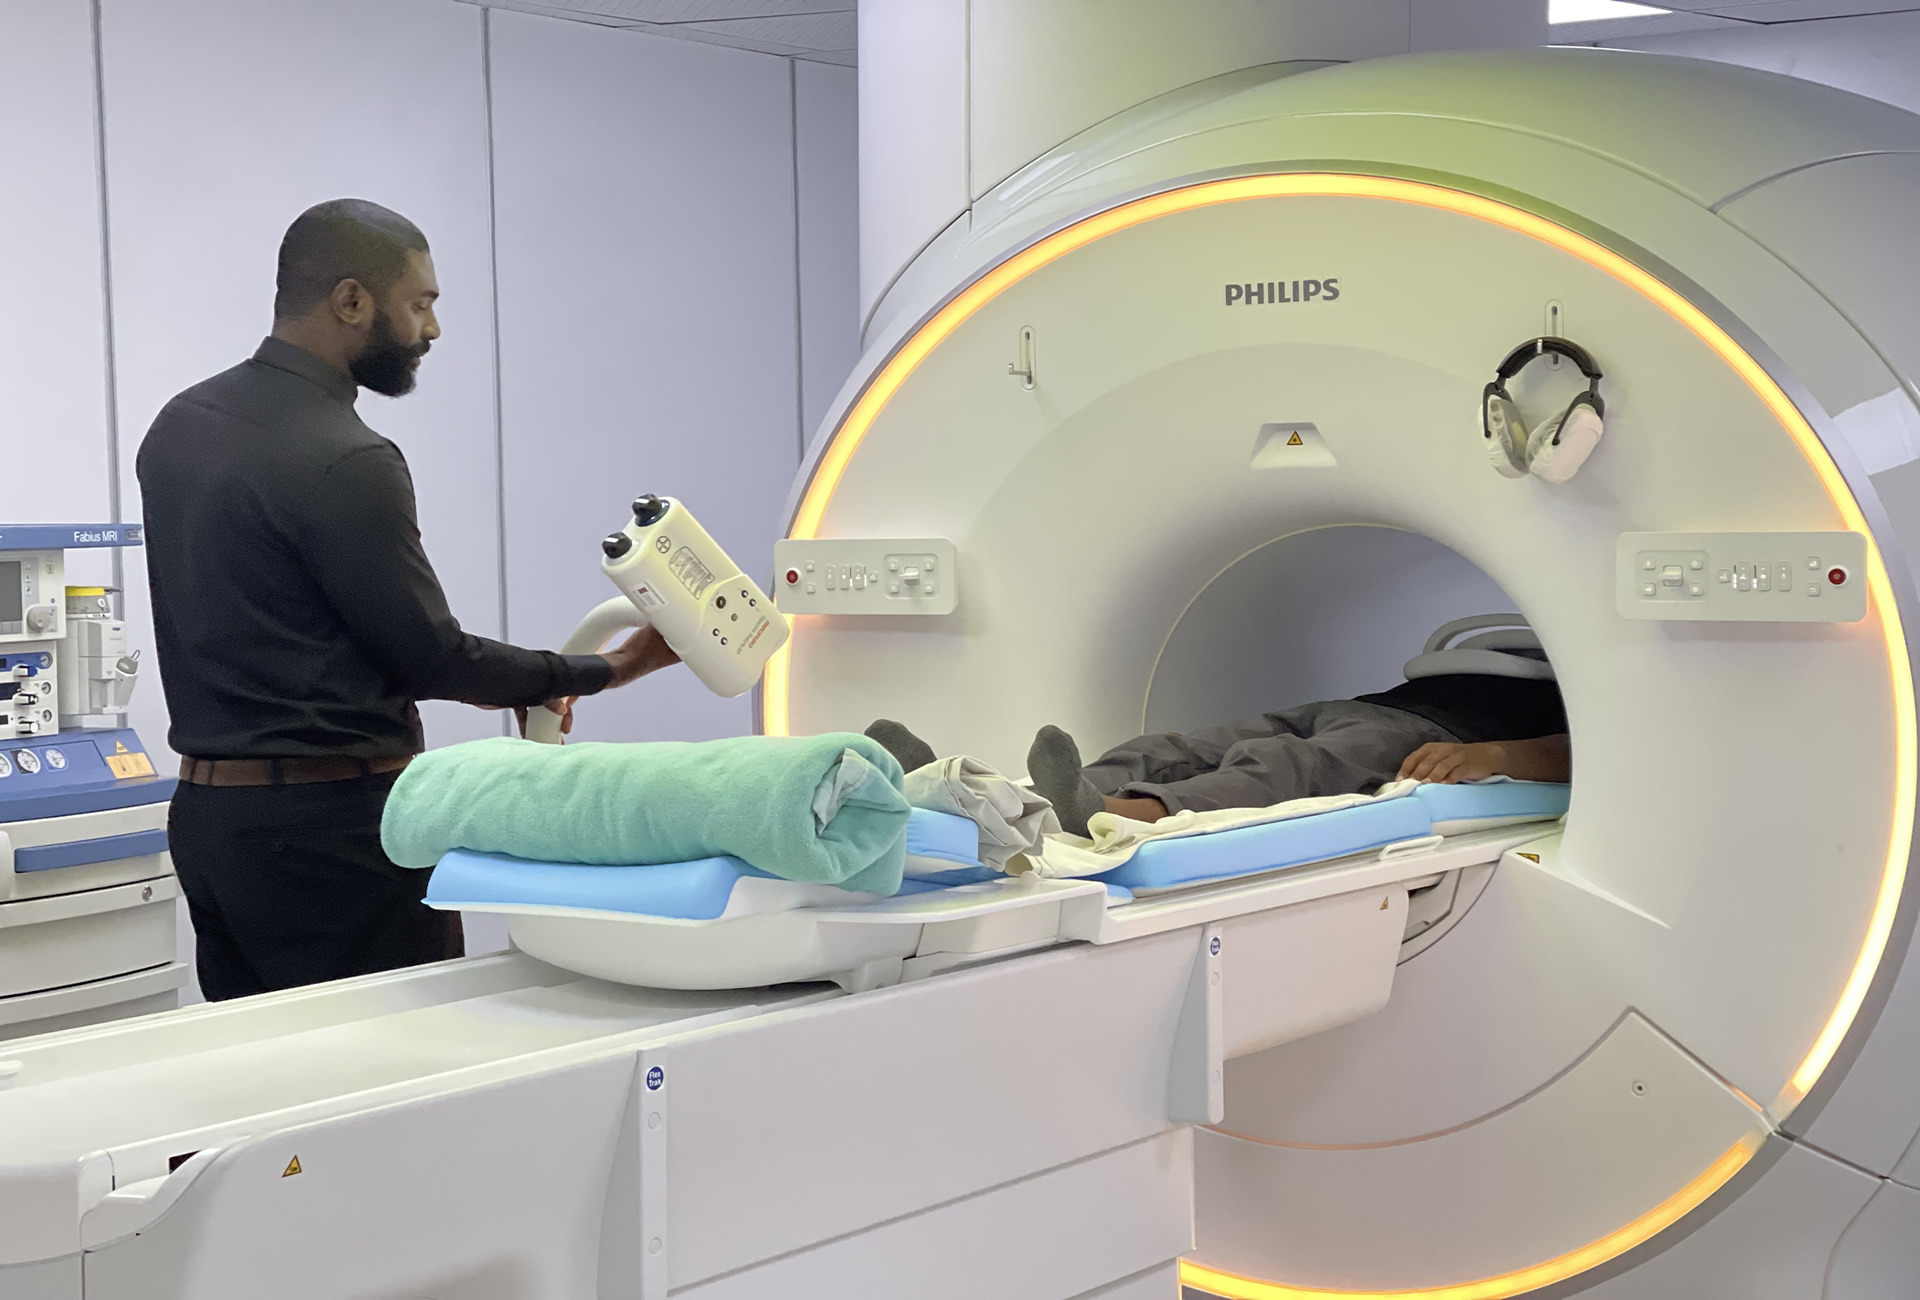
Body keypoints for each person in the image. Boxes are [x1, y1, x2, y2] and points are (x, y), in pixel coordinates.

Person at [138, 198, 678, 1000]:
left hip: (211, 824)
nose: (432, 329)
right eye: (420, 303)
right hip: (335, 835)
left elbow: (294, 624)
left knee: (259, 1056)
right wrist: (610, 668)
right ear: (352, 301)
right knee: (386, 1061)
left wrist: (532, 680)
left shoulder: (179, 426)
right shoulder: (347, 459)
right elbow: (433, 657)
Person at [865, 662, 1570, 836]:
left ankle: (1114, 813)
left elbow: (1587, 753)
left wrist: (1495, 757)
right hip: (1365, 702)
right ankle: (987, 790)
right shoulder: (1487, 656)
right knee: (1182, 744)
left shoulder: (1574, 685)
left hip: (1429, 736)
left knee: (1289, 768)